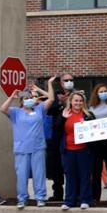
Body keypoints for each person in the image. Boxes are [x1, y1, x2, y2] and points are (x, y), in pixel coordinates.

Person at [1, 83, 52, 209]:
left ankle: (40, 198)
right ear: (22, 101)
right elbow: (3, 109)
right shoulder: (15, 112)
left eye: (30, 98)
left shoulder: (39, 109)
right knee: (22, 175)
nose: (28, 100)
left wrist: (39, 89)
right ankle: (22, 198)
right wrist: (12, 97)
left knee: (39, 174)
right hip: (22, 149)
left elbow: (51, 98)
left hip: (38, 147)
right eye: (25, 98)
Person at [60, 90, 94, 210]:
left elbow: (95, 131)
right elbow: (57, 129)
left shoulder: (88, 115)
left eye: (80, 101)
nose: (78, 103)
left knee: (85, 176)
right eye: (76, 100)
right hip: (68, 150)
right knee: (70, 176)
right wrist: (63, 118)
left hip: (84, 150)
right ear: (71, 101)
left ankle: (85, 200)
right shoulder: (64, 114)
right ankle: (69, 201)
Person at [45, 71, 74, 202]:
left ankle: (73, 193)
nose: (69, 82)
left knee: (71, 166)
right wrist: (61, 103)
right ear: (61, 82)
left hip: (72, 134)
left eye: (71, 80)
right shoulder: (56, 96)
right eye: (66, 80)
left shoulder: (78, 94)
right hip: (57, 135)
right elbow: (49, 111)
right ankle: (57, 193)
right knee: (57, 166)